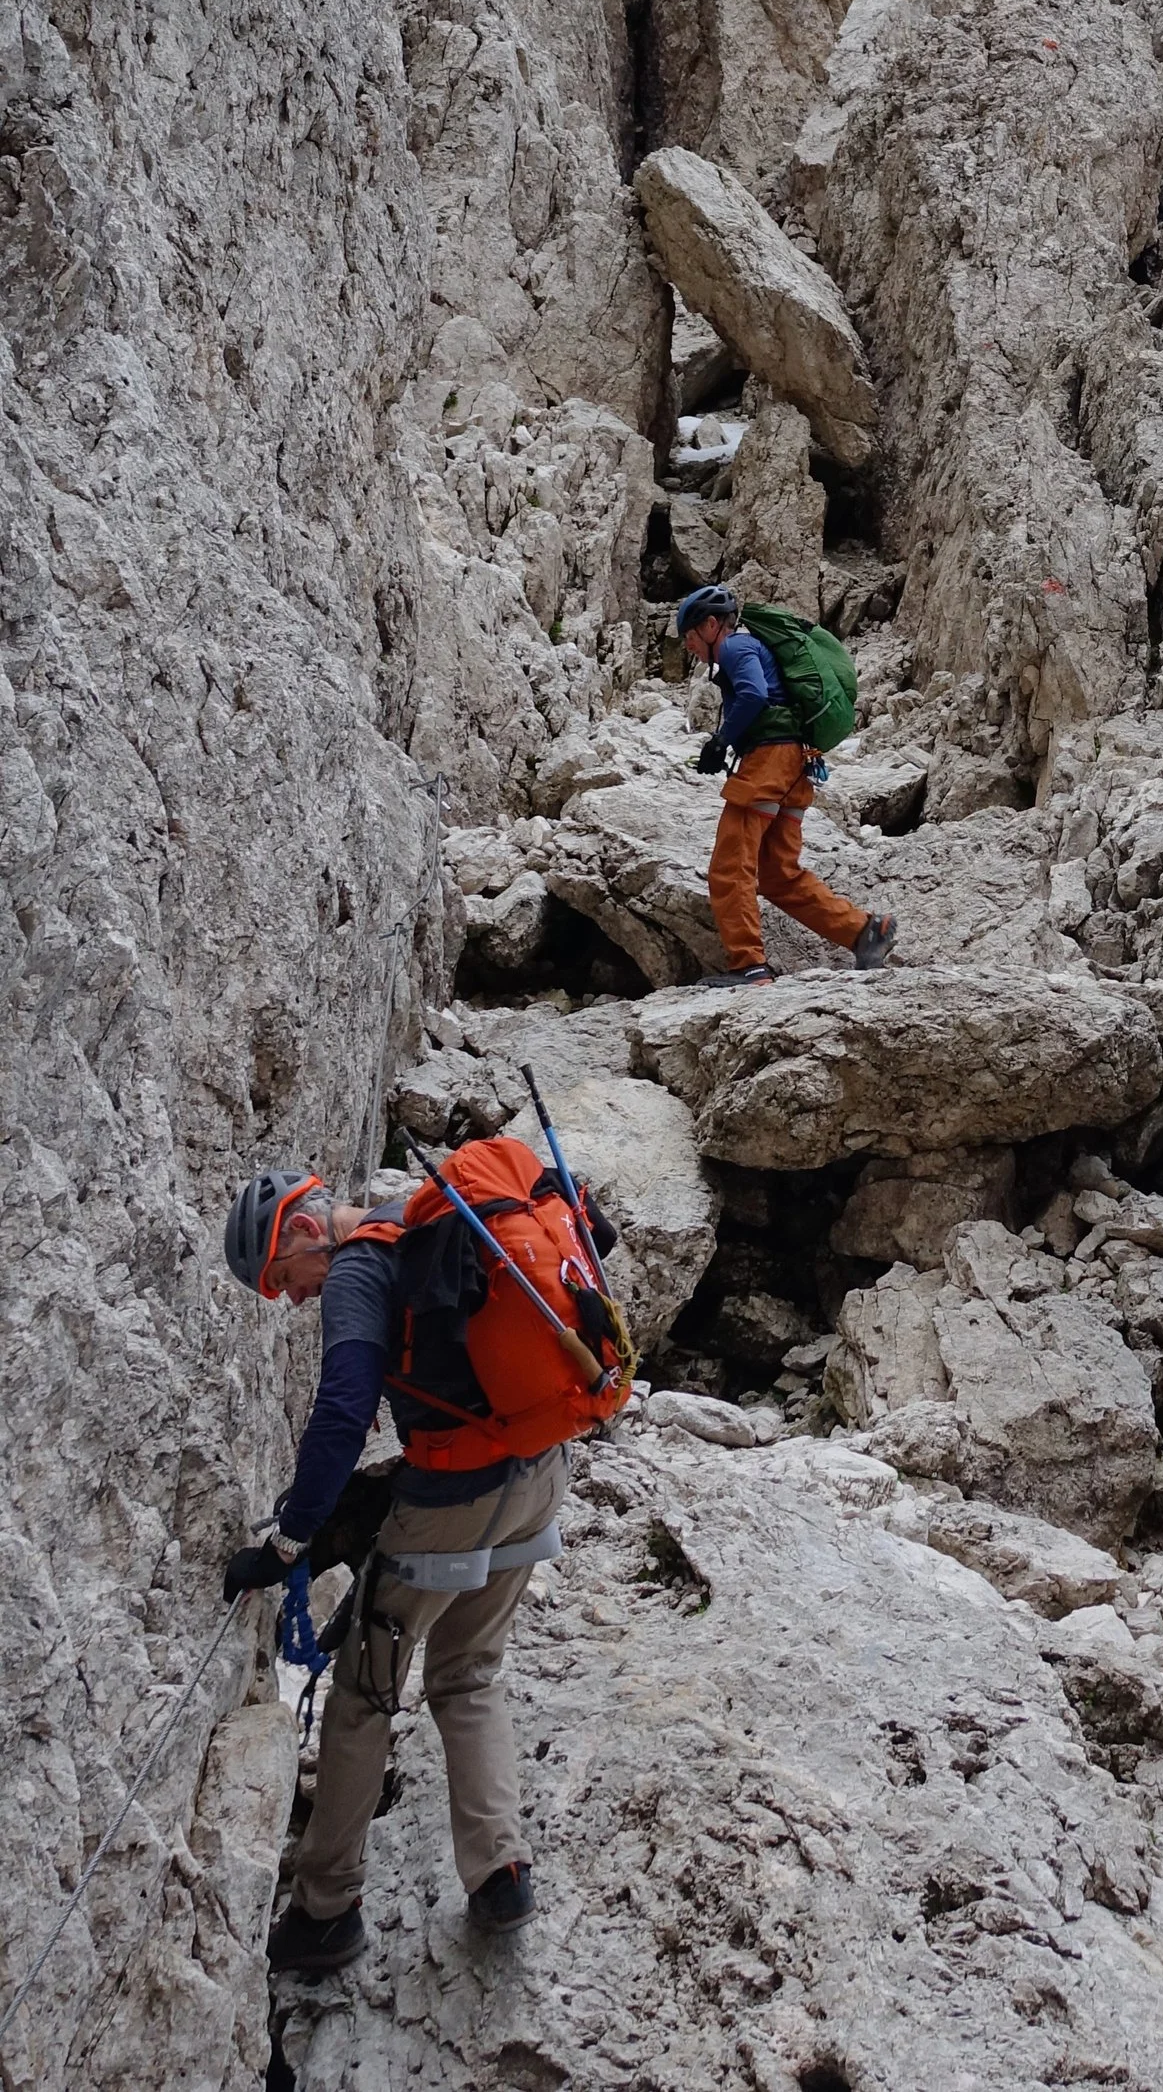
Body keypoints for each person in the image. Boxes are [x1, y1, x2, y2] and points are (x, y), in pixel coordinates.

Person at [221, 1160, 610, 1977]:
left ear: (299, 1230)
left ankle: (326, 1912)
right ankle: (501, 1873)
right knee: (469, 1674)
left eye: (281, 1279)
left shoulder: (356, 1270)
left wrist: (292, 1541)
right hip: (540, 1471)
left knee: (364, 1694)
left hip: (452, 1497)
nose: (290, 1298)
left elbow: (343, 1408)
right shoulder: (434, 1214)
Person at [674, 582, 895, 984]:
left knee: (730, 866)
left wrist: (721, 741)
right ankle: (865, 931)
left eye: (689, 636)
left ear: (710, 625)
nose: (688, 646)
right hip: (797, 767)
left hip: (769, 764)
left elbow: (754, 694)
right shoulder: (749, 648)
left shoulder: (735, 648)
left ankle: (748, 966)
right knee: (777, 874)